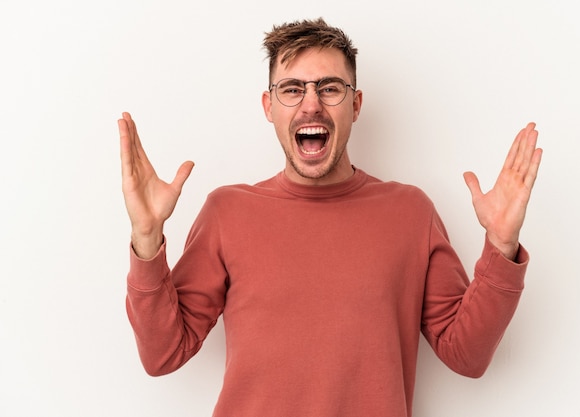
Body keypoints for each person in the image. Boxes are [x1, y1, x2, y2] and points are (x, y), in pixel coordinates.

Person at [118, 17, 542, 417]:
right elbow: (162, 355)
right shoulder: (226, 212)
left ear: (355, 104)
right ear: (269, 106)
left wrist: (501, 246)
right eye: (291, 89)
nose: (311, 105)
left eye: (330, 88)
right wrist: (146, 238)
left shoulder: (410, 212)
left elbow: (466, 355)